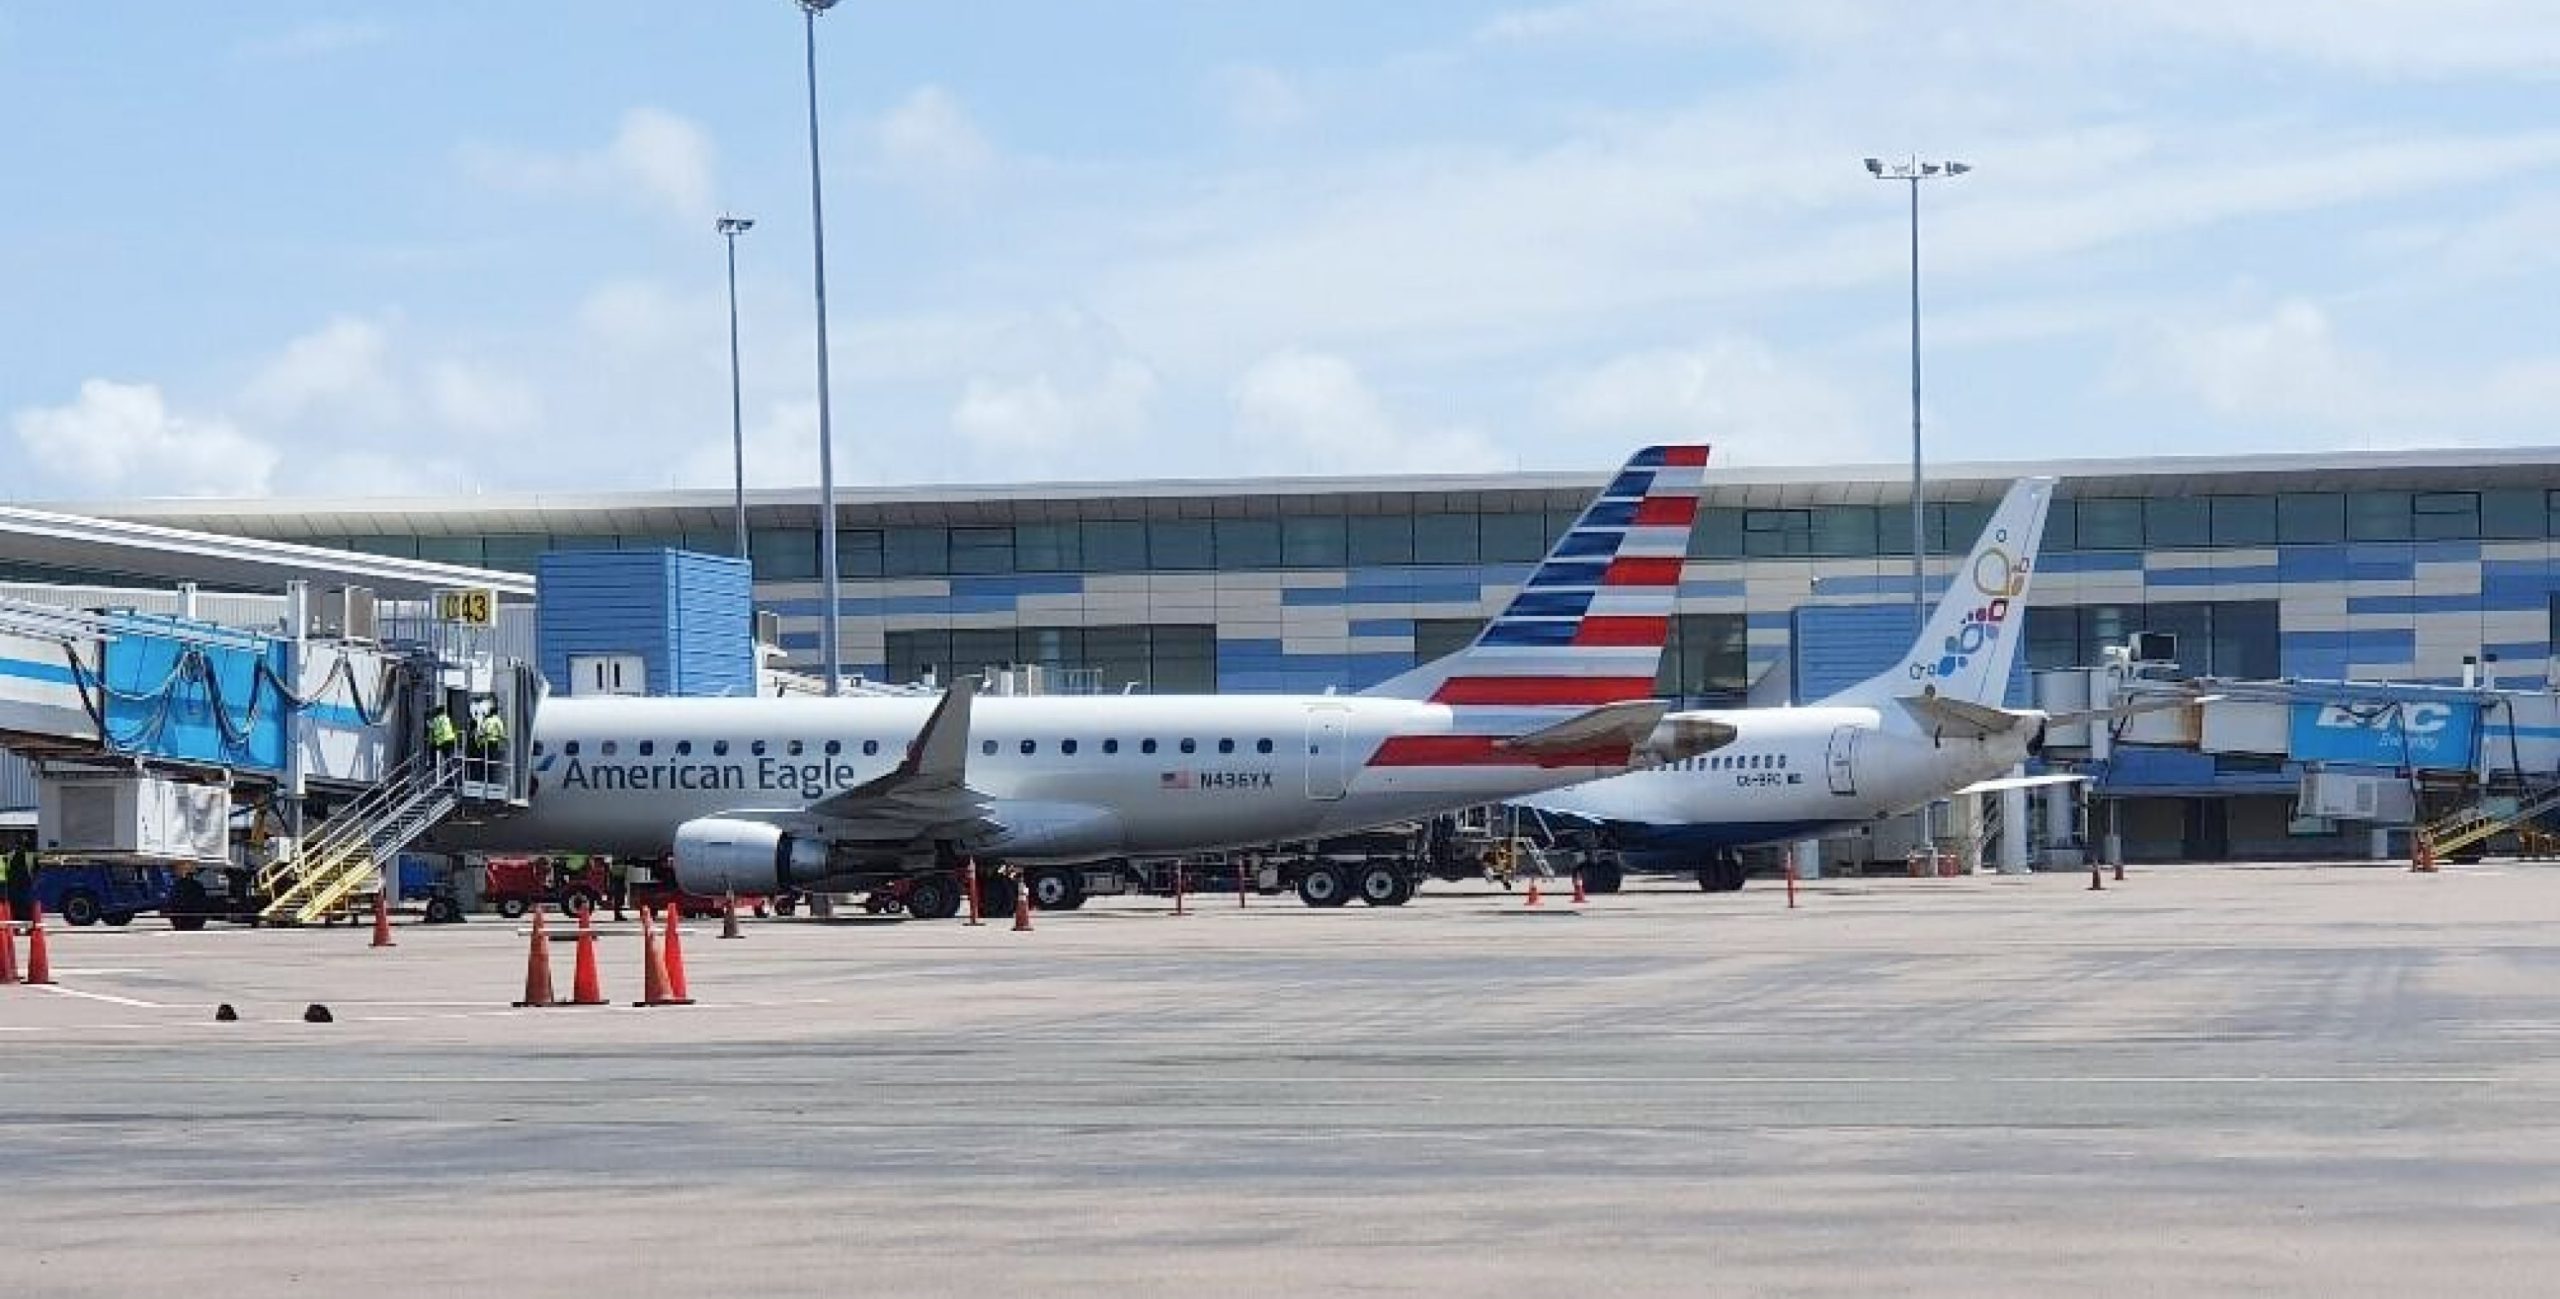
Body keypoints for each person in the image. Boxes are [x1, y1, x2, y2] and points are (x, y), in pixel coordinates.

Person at [470, 700, 508, 783]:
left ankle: (484, 778)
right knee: (491, 761)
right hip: (492, 742)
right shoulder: (497, 720)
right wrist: (504, 738)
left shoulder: (486, 720)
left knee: (485, 761)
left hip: (484, 743)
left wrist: (479, 742)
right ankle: (489, 779)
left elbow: (481, 731)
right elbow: (501, 730)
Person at [426, 704, 459, 774]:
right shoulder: (446, 718)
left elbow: (431, 726)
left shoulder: (437, 719)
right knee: (448, 757)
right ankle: (450, 773)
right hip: (451, 739)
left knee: (432, 748)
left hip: (443, 740)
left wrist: (427, 722)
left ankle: (432, 764)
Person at [605, 855, 630, 921]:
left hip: (620, 875)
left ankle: (617, 914)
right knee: (618, 896)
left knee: (620, 896)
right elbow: (608, 863)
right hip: (616, 876)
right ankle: (617, 914)